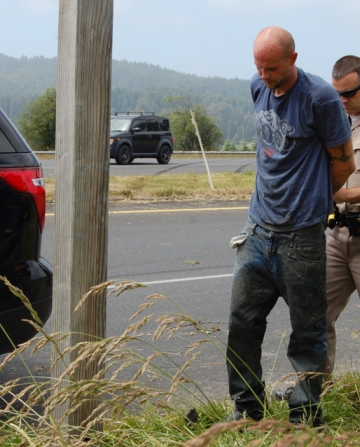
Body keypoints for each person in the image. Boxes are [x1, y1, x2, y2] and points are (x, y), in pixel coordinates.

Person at [226, 26, 354, 427]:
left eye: (273, 68)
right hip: (257, 231)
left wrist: (314, 200)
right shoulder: (257, 86)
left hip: (302, 237)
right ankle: (248, 412)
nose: (265, 75)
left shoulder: (320, 99)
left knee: (308, 331)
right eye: (259, 67)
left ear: (293, 60)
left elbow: (345, 162)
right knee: (242, 324)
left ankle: (303, 419)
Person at [325, 56, 360, 375]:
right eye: (337, 94)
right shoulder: (340, 122)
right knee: (317, 314)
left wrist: (342, 194)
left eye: (349, 93)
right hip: (338, 235)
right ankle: (312, 395)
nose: (342, 101)